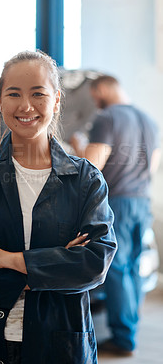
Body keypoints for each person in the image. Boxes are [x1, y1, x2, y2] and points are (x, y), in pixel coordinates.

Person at [0, 51, 117, 364]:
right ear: (0, 101)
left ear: (56, 100)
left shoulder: (85, 179)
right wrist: (55, 265)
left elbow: (93, 263)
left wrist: (7, 258)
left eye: (38, 94)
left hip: (57, 343)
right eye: (14, 94)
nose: (25, 106)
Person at [70, 75, 161, 357]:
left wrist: (76, 145)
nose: (95, 101)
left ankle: (123, 339)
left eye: (95, 94)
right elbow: (154, 165)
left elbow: (92, 165)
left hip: (117, 202)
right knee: (133, 266)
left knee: (117, 269)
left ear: (103, 89)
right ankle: (129, 329)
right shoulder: (149, 120)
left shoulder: (107, 118)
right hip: (142, 200)